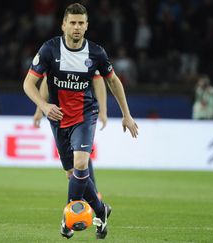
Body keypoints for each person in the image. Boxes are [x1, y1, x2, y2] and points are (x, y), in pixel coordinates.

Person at [23, 3, 138, 239]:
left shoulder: (96, 53)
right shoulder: (49, 50)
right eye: (72, 22)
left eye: (81, 23)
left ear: (86, 26)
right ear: (63, 24)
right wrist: (43, 107)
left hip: (85, 115)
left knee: (81, 163)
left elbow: (112, 81)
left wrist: (126, 114)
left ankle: (69, 217)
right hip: (58, 118)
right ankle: (101, 210)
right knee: (72, 174)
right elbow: (28, 84)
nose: (76, 27)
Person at [33, 75, 107, 199]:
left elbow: (99, 80)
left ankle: (81, 202)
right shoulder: (54, 57)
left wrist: (103, 111)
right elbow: (47, 80)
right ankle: (93, 199)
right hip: (60, 116)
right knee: (71, 169)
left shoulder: (87, 56)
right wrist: (40, 109)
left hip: (82, 114)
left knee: (80, 157)